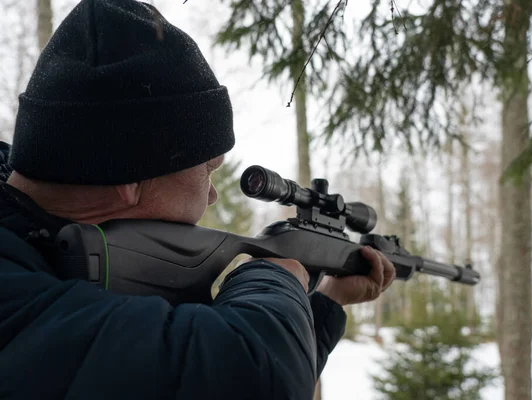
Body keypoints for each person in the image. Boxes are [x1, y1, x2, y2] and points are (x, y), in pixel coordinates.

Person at [0, 0, 396, 399]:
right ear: (131, 177)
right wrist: (273, 276)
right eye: (208, 168)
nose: (211, 194)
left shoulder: (37, 262)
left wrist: (325, 304)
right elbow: (254, 378)